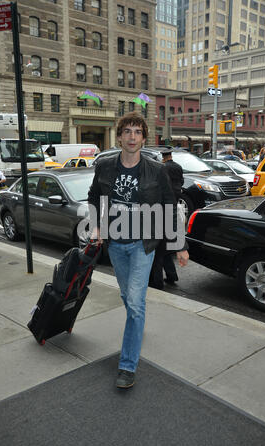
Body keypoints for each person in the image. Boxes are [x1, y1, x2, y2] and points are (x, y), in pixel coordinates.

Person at [88, 112, 189, 389]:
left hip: (143, 245)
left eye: (137, 132)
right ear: (119, 136)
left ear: (144, 138)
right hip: (116, 244)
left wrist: (180, 245)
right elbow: (95, 196)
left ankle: (127, 365)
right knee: (128, 296)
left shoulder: (156, 170)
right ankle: (137, 323)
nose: (132, 137)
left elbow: (169, 207)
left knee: (134, 302)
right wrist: (97, 226)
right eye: (127, 131)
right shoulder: (106, 166)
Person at [149, 149, 185, 289]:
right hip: (174, 202)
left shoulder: (162, 170)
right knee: (165, 250)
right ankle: (172, 275)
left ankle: (157, 283)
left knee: (158, 254)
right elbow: (181, 181)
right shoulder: (178, 166)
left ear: (163, 157)